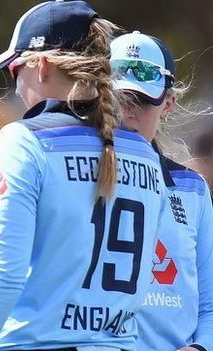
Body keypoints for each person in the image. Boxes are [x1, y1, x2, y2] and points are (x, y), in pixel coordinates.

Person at [0, 1, 170, 350]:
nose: (15, 84)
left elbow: (3, 275)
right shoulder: (145, 153)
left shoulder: (23, 140)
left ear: (40, 65)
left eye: (13, 69)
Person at [110, 31, 213, 351]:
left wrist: (201, 347)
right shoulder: (72, 179)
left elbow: (210, 301)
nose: (127, 113)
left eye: (141, 100)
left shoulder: (193, 190)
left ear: (168, 104)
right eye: (118, 98)